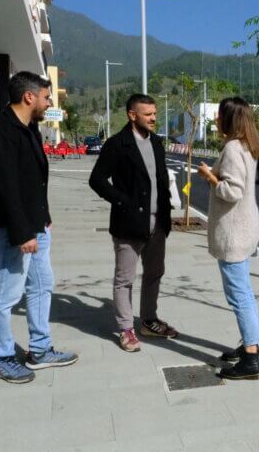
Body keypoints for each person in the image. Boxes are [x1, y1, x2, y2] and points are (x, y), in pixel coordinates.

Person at [0, 72, 78, 384]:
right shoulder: (2, 133)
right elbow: (4, 187)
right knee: (6, 293)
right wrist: (22, 233)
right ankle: (2, 357)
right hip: (13, 229)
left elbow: (33, 181)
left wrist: (43, 217)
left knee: (42, 284)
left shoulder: (29, 129)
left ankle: (39, 349)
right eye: (47, 97)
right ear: (29, 97)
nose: (49, 103)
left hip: (35, 224)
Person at [89, 94, 176, 352]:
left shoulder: (158, 143)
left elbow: (160, 181)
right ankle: (126, 328)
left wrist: (167, 215)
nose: (153, 118)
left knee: (154, 273)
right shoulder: (118, 144)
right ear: (132, 115)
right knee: (124, 279)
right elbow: (97, 180)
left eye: (154, 113)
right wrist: (122, 202)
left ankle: (148, 320)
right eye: (147, 114)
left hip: (157, 224)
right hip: (129, 224)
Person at [198, 97, 259, 380]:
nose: (215, 120)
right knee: (243, 292)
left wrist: (211, 178)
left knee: (239, 296)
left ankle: (251, 357)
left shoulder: (234, 149)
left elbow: (233, 191)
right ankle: (250, 344)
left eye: (219, 115)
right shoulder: (247, 146)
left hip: (234, 233)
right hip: (245, 229)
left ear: (230, 119)